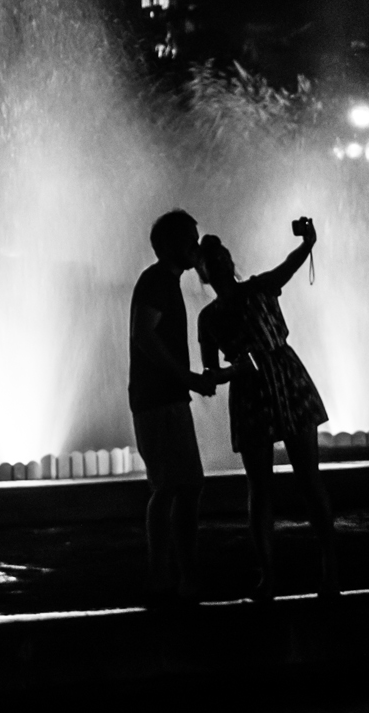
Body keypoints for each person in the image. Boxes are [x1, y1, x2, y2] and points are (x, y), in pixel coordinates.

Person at [197, 220, 339, 600]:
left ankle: (328, 570)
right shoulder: (208, 319)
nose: (220, 261)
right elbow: (211, 373)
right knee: (260, 487)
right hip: (251, 390)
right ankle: (269, 575)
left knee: (308, 477)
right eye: (210, 259)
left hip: (285, 378)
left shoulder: (259, 286)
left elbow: (288, 267)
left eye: (222, 254)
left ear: (229, 261)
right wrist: (231, 371)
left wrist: (308, 242)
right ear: (203, 273)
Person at [130, 208, 216, 602]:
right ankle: (166, 576)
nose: (196, 247)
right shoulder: (157, 281)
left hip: (165, 397)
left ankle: (176, 574)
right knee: (172, 487)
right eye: (190, 240)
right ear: (169, 245)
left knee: (181, 486)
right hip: (160, 399)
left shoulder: (164, 282)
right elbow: (144, 337)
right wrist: (186, 378)